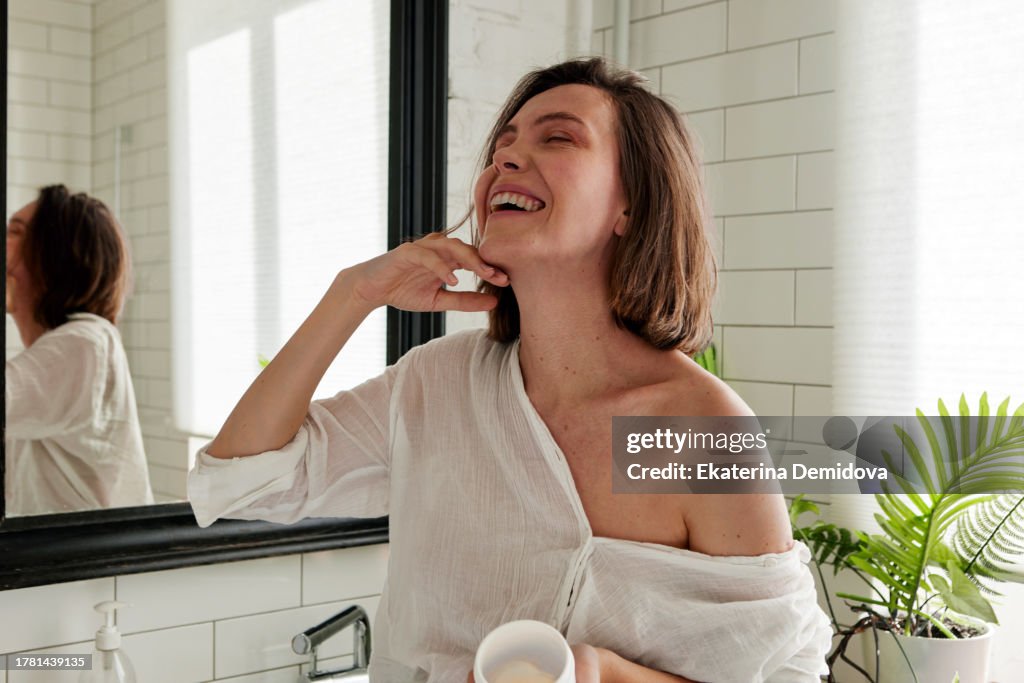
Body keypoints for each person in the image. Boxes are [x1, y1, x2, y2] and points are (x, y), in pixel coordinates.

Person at [188, 58, 831, 682]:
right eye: (502, 145)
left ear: (631, 207)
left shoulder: (700, 429)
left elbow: (784, 674)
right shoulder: (434, 385)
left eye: (557, 137)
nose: (506, 159)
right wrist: (352, 294)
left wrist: (604, 675)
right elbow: (242, 482)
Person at [5, 185, 153, 515]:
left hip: (97, 564)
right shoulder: (73, 348)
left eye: (13, 232)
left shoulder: (84, 344)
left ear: (52, 256)